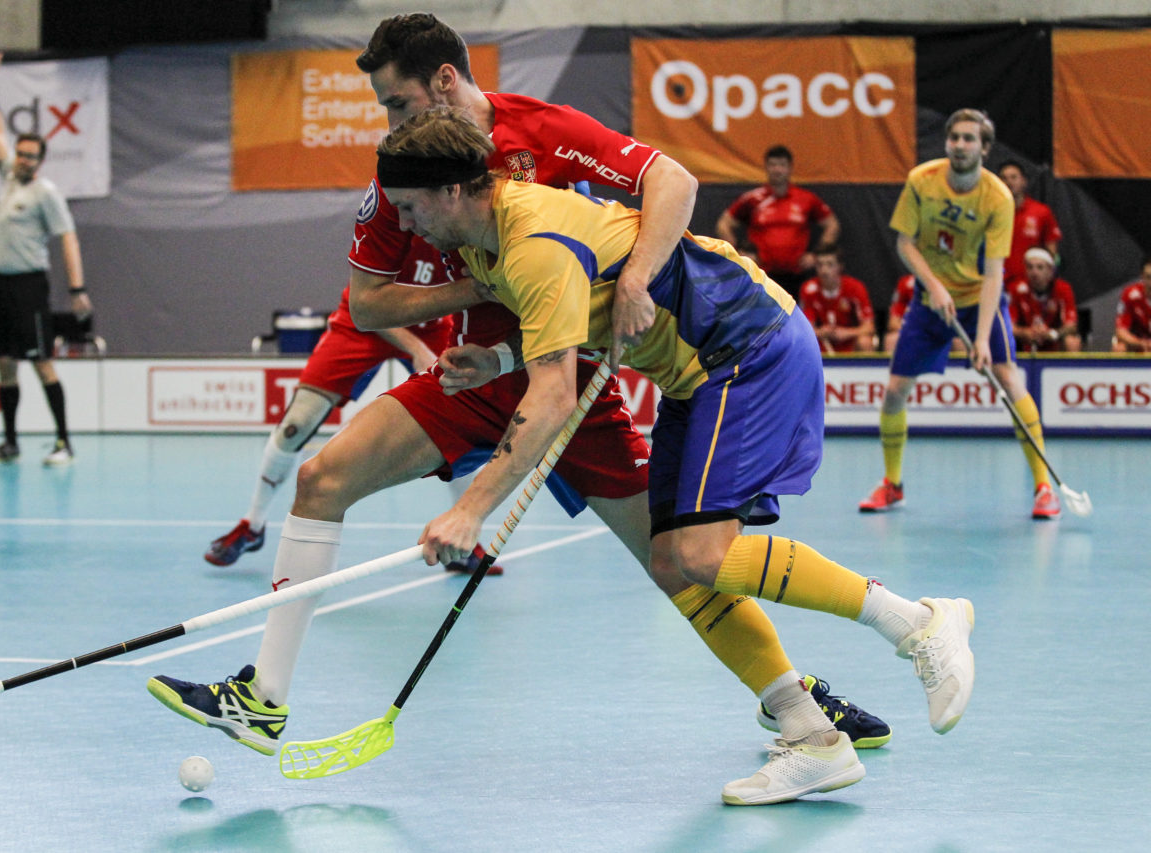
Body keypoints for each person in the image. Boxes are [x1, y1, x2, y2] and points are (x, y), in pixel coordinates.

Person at [147, 13, 889, 783]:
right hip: (473, 374)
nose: (390, 124)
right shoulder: (401, 176)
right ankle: (263, 697)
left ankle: (797, 701)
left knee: (678, 560)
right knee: (320, 479)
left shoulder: (545, 131)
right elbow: (366, 305)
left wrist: (631, 280)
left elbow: (672, 181)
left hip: (567, 385)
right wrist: (483, 281)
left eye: (396, 104)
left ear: (442, 83)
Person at [369, 106, 975, 806]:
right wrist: (499, 355)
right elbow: (580, 310)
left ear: (451, 191)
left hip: (748, 348)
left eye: (410, 207)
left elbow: (553, 400)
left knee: (704, 556)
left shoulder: (529, 238)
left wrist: (471, 510)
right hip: (695, 378)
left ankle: (920, 622)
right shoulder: (483, 244)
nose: (405, 223)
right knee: (673, 565)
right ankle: (813, 738)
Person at [201, 257, 482, 570]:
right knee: (296, 425)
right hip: (363, 321)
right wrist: (416, 349)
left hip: (433, 327)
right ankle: (252, 526)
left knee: (460, 417)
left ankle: (461, 536)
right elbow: (369, 305)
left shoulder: (462, 229)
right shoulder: (392, 216)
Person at [858, 109, 1061, 520]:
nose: (961, 145)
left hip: (978, 300)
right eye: (955, 138)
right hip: (929, 301)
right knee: (896, 388)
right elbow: (904, 244)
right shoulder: (922, 180)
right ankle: (892, 484)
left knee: (1006, 377)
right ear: (947, 142)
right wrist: (932, 284)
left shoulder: (997, 198)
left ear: (984, 148)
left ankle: (1043, 488)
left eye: (970, 139)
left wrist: (982, 338)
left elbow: (993, 274)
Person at [0, 53, 90, 466]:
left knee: (41, 362)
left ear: (40, 161)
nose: (23, 160)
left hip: (29, 287)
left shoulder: (46, 193)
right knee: (4, 364)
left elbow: (68, 239)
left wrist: (77, 288)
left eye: (30, 156)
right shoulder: (8, 176)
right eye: (20, 154)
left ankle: (64, 443)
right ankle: (10, 443)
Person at [715, 145, 839, 298]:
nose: (777, 170)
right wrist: (736, 254)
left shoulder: (806, 199)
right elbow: (724, 223)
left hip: (797, 274)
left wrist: (816, 255)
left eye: (782, 165)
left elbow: (831, 224)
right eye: (773, 165)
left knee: (795, 318)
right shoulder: (754, 198)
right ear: (766, 167)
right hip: (761, 274)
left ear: (790, 168)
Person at [798, 246, 876, 353]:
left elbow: (869, 327)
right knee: (803, 342)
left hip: (849, 340)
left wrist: (846, 333)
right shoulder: (809, 289)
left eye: (830, 264)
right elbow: (805, 328)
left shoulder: (855, 288)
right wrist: (821, 332)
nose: (824, 270)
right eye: (820, 265)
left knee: (865, 342)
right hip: (822, 341)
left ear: (840, 267)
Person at [997, 160, 1062, 285]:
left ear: (1024, 181)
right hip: (998, 284)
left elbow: (1051, 252)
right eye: (1004, 178)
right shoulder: (990, 212)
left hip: (1030, 287)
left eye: (1014, 177)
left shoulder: (1041, 212)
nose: (1009, 182)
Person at [1008, 248, 1081, 353]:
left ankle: (1072, 369)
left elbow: (1071, 326)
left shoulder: (1063, 289)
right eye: (1030, 267)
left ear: (1050, 271)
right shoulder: (1016, 289)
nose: (1034, 272)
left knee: (1072, 341)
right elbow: (1008, 325)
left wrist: (1052, 333)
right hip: (1024, 341)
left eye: (1040, 267)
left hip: (1054, 340)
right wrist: (1025, 333)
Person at [1113, 257, 1151, 353]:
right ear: (1142, 276)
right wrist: (1140, 343)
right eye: (1149, 277)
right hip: (1138, 343)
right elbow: (1121, 331)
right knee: (1119, 348)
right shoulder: (1130, 294)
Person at [883, 273, 914, 354]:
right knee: (891, 339)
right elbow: (893, 323)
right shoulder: (907, 283)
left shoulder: (945, 279)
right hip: (913, 330)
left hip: (938, 330)